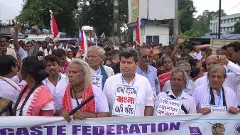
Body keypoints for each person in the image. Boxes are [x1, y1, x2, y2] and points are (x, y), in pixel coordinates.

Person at [103, 47, 155, 117]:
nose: (125, 66)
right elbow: (105, 107)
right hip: (116, 126)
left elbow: (149, 105)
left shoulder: (144, 82)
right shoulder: (110, 81)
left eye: (129, 63)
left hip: (138, 126)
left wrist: (145, 123)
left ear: (136, 64)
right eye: (123, 62)